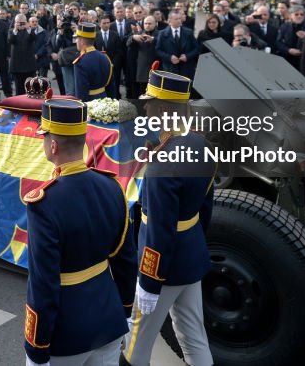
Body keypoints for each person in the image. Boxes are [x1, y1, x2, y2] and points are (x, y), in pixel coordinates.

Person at [23, 98, 135, 366]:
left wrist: (37, 348)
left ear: (52, 145)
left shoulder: (44, 204)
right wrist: (125, 313)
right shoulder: (113, 188)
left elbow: (44, 284)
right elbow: (126, 260)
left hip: (67, 334)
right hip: (108, 320)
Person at [123, 69, 214, 366]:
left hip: (163, 266)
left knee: (136, 343)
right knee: (192, 334)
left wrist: (149, 281)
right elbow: (206, 208)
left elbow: (159, 229)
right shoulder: (202, 145)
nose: (146, 107)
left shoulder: (164, 162)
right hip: (190, 253)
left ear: (164, 108)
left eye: (150, 102)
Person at [72, 22, 112, 102]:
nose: (76, 41)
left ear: (82, 41)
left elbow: (81, 93)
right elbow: (111, 86)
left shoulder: (80, 62)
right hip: (105, 100)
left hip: (90, 103)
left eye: (77, 38)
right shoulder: (105, 57)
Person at [8, 14, 38, 95]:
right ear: (15, 23)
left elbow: (34, 38)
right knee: (19, 89)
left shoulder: (29, 31)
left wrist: (28, 28)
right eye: (18, 22)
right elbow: (10, 41)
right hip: (17, 65)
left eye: (22, 22)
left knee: (30, 88)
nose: (21, 24)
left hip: (29, 64)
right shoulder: (12, 31)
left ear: (26, 22)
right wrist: (15, 30)